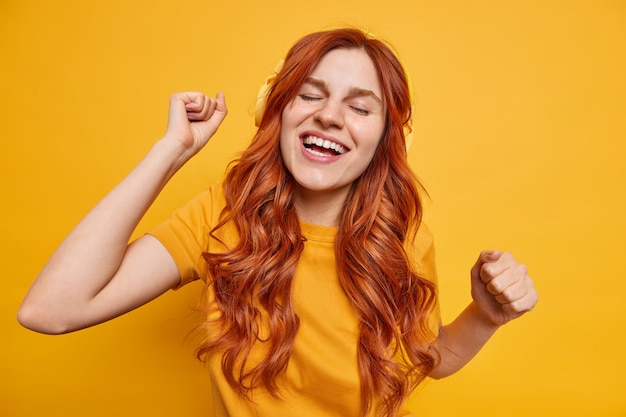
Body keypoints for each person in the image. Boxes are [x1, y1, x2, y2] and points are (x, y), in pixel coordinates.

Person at [18, 27, 538, 417]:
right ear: (279, 110)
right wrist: (170, 151)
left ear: (386, 140)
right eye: (310, 95)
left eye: (360, 107)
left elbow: (427, 357)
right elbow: (50, 310)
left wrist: (485, 316)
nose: (329, 115)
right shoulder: (221, 216)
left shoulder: (400, 237)